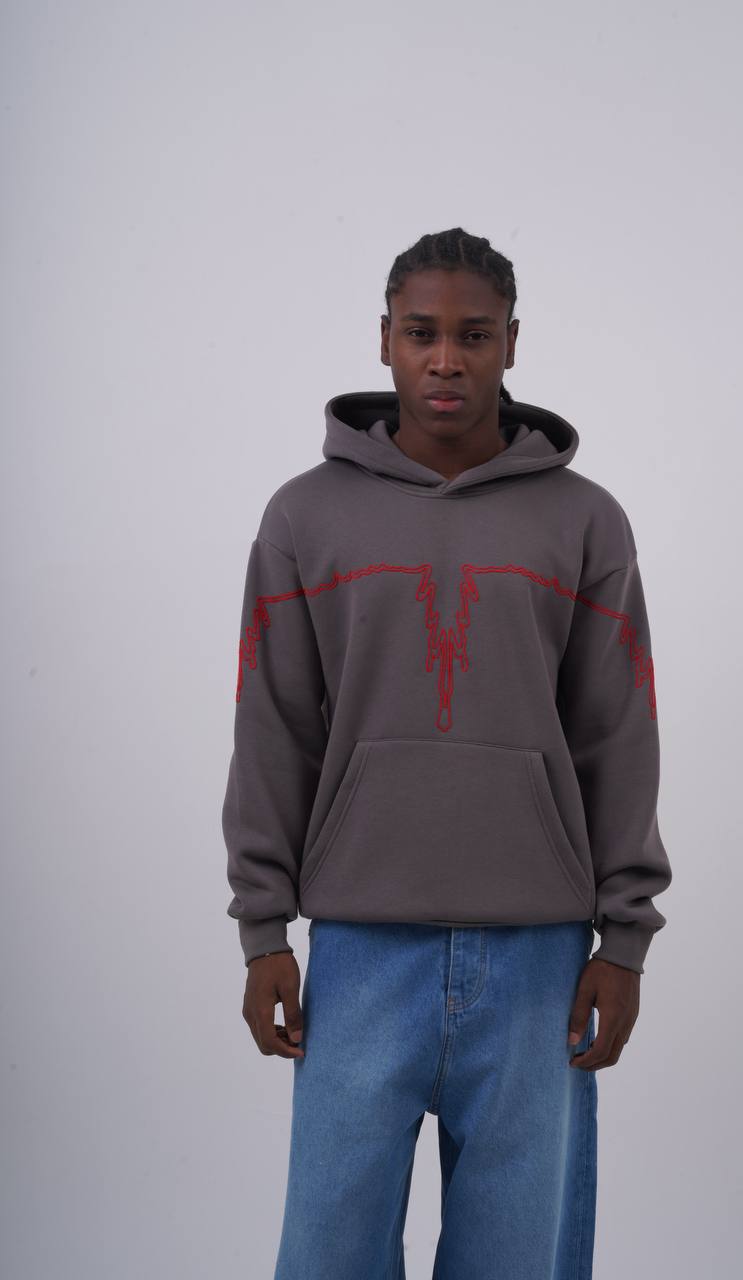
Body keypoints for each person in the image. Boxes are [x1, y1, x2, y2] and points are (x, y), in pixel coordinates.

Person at [221, 226, 673, 1279]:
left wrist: (624, 940)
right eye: (421, 332)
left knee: (516, 1261)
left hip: (537, 958)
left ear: (511, 343)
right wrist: (261, 928)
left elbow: (616, 732)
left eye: (473, 335)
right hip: (358, 951)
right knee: (328, 1256)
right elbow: (273, 726)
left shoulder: (584, 521)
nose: (445, 359)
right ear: (383, 339)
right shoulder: (304, 516)